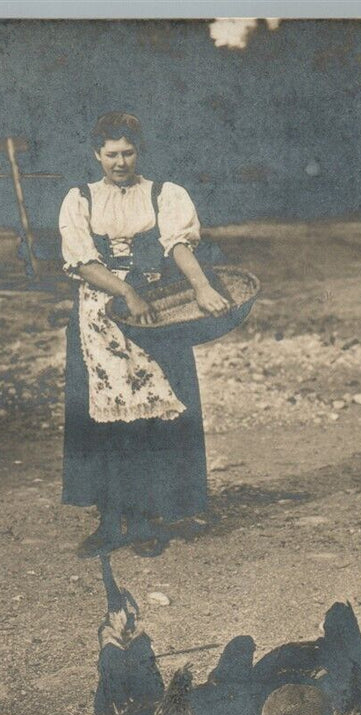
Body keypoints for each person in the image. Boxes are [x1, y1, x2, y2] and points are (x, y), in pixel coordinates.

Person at [59, 112, 230, 558]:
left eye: (128, 152)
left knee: (155, 417)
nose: (120, 162)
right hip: (100, 316)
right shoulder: (79, 199)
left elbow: (177, 246)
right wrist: (125, 292)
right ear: (96, 154)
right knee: (104, 419)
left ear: (140, 152)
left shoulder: (163, 195)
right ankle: (109, 521)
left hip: (156, 313)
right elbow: (82, 261)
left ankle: (146, 518)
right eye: (111, 154)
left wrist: (202, 287)